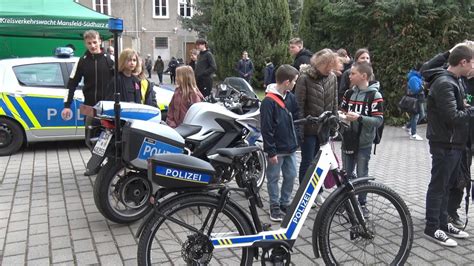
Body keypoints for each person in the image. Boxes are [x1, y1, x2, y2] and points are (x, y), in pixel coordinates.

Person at [422, 45, 473, 247]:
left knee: (447, 186)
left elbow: (456, 110)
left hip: (454, 143)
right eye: (473, 62)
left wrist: (465, 108)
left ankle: (443, 222)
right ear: (464, 62)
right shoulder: (444, 83)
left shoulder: (454, 80)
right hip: (445, 143)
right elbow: (452, 117)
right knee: (439, 186)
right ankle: (433, 227)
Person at [61, 30, 114, 176]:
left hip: (108, 108)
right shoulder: (82, 61)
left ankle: (109, 167)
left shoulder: (110, 60)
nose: (92, 45)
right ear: (85, 43)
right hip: (89, 106)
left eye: (95, 42)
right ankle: (96, 164)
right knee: (90, 140)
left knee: (110, 139)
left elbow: (120, 81)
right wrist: (67, 106)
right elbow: (71, 84)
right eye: (89, 43)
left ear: (100, 41)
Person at [294, 49, 339, 206]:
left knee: (321, 163)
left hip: (324, 128)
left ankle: (317, 192)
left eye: (331, 66)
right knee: (307, 162)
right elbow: (298, 105)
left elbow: (334, 102)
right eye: (327, 66)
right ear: (319, 64)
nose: (329, 69)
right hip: (308, 128)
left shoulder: (332, 78)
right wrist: (299, 129)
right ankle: (304, 194)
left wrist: (335, 123)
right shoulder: (304, 78)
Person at [339, 61, 384, 218]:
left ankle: (362, 204)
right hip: (347, 140)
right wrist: (342, 117)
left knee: (361, 174)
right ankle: (344, 203)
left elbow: (378, 121)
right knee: (346, 173)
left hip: (364, 143)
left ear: (363, 76)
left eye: (353, 73)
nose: (349, 76)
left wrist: (359, 118)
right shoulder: (348, 94)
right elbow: (342, 111)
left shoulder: (374, 95)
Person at [261, 64, 300, 222]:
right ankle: (274, 205)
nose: (295, 84)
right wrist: (271, 151)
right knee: (273, 177)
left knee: (291, 175)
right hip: (276, 149)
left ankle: (285, 202)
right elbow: (266, 129)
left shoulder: (290, 97)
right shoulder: (268, 102)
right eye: (294, 81)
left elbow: (296, 117)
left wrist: (296, 137)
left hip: (290, 147)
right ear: (286, 82)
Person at [403, 63, 425, 141]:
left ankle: (408, 126)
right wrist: (422, 87)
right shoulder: (414, 78)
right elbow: (415, 90)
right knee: (416, 116)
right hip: (415, 100)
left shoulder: (418, 77)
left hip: (419, 99)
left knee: (420, 115)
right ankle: (413, 134)